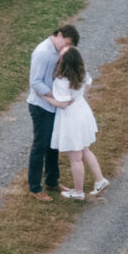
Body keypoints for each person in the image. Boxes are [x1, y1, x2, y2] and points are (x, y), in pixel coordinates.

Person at [47, 45, 107, 199]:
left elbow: (62, 103)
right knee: (85, 150)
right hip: (82, 110)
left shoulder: (62, 81)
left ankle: (78, 192)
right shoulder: (81, 73)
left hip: (71, 117)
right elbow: (86, 87)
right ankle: (99, 180)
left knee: (75, 157)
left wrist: (44, 97)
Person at [26, 23, 79, 199]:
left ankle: (52, 181)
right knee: (40, 146)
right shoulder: (42, 53)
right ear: (60, 35)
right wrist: (54, 96)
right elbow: (35, 82)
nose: (67, 48)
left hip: (52, 105)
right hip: (41, 106)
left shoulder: (58, 51)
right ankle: (35, 188)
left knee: (52, 145)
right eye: (67, 43)